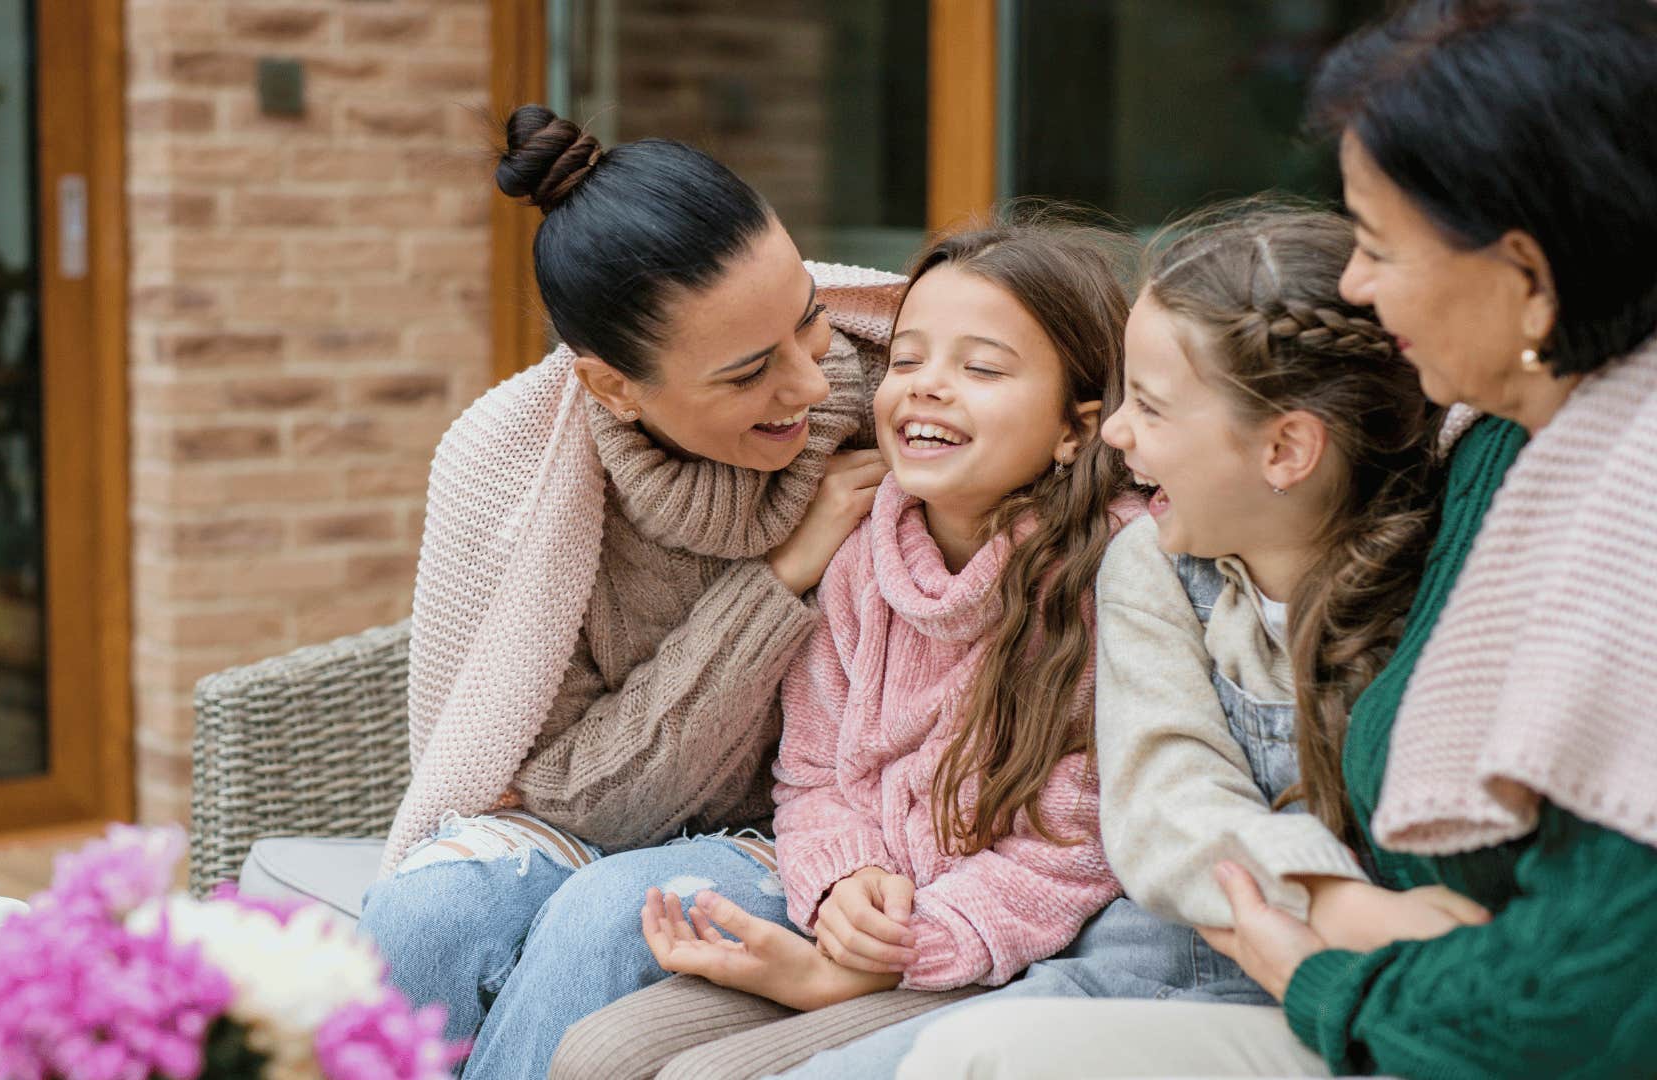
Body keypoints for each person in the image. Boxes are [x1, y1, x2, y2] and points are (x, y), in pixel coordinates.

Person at [902, 3, 1657, 1075]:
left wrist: (1330, 969)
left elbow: (1583, 997)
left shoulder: (1594, 499)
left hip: (1426, 1009)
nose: (1356, 281)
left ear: (1526, 275)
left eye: (1382, 245)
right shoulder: (1494, 433)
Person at [555, 215, 1269, 1080]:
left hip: (1012, 945)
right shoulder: (865, 555)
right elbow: (815, 770)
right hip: (880, 923)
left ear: (1077, 429)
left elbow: (1077, 847)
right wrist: (843, 883)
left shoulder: (1105, 579)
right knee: (601, 1054)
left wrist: (887, 954)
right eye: (907, 360)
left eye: (981, 368)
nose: (926, 388)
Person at [357, 103, 903, 1079]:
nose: (813, 388)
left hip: (809, 838)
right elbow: (569, 792)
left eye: (809, 318)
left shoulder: (906, 413)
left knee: (610, 919)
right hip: (594, 824)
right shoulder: (525, 482)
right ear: (615, 390)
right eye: (747, 374)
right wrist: (779, 581)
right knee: (424, 915)